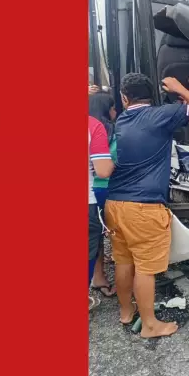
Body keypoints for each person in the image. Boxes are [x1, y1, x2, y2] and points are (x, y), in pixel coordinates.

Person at [104, 73, 189, 338]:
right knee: (145, 267)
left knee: (123, 261)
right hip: (143, 208)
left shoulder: (123, 119)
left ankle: (126, 312)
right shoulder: (160, 115)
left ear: (124, 98)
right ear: (151, 96)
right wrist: (179, 88)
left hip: (115, 204)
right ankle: (150, 325)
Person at [88, 91, 118, 297]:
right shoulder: (108, 130)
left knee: (96, 236)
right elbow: (105, 168)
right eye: (113, 107)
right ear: (107, 110)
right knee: (113, 234)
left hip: (93, 190)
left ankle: (98, 277)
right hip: (107, 188)